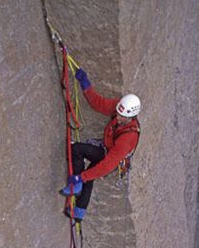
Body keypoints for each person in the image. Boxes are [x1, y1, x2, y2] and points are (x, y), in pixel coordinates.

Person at [60, 67, 141, 221]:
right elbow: (98, 104)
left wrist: (81, 177)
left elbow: (107, 165)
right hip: (106, 149)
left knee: (76, 149)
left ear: (131, 117)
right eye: (117, 113)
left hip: (111, 158)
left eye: (121, 116)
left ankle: (76, 186)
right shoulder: (121, 108)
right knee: (89, 175)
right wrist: (85, 84)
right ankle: (79, 212)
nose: (117, 117)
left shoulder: (128, 138)